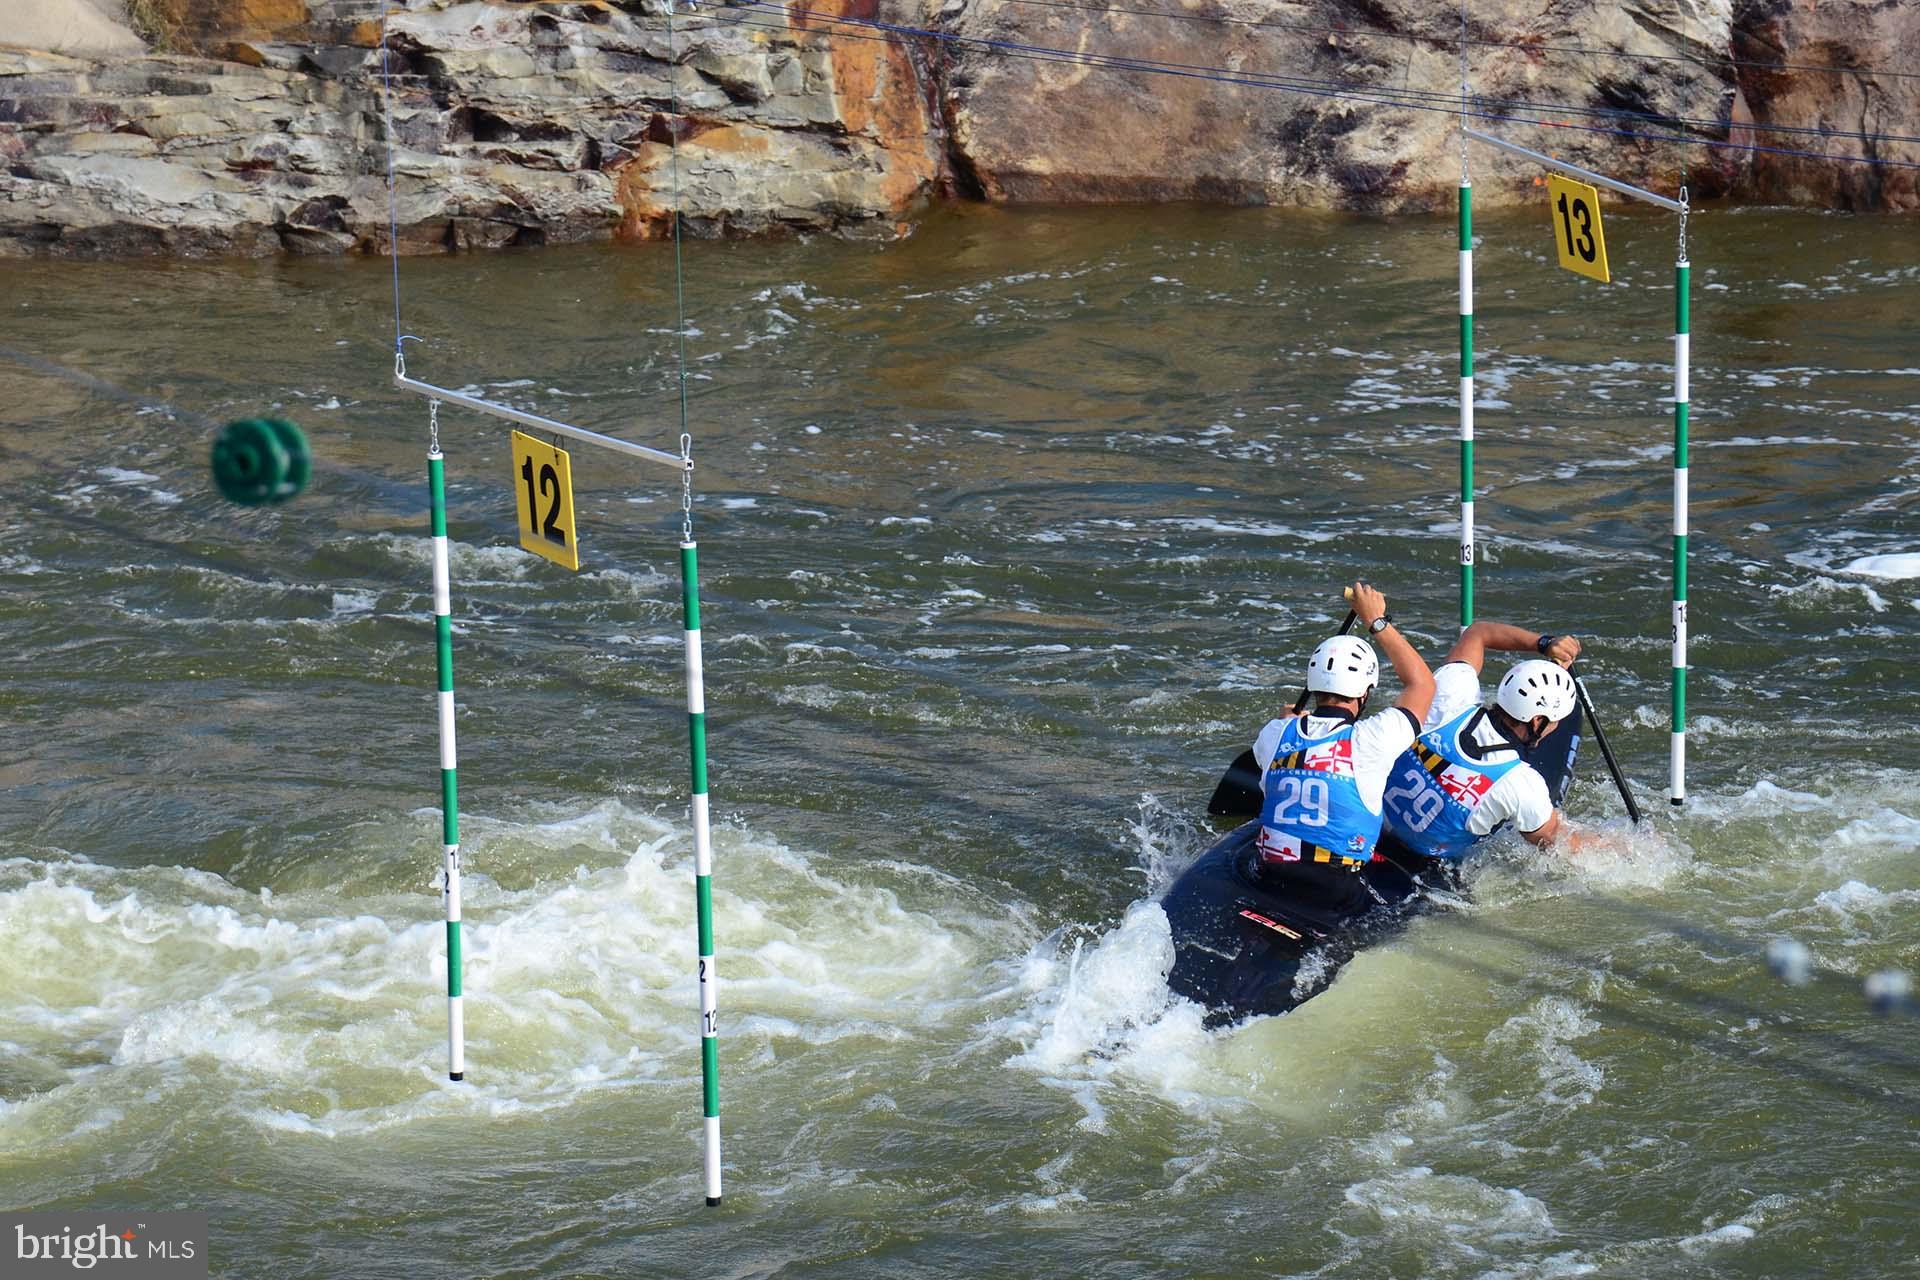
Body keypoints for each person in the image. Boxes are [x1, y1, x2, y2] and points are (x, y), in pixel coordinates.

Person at [1251, 582, 1435, 915]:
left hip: (1269, 874)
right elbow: (1422, 684)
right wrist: (1376, 621)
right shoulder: (1372, 739)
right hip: (1332, 889)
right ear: (1365, 694)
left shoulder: (1274, 734)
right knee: (1422, 906)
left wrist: (1286, 722)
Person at [1379, 620, 1589, 865]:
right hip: (1423, 865)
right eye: (1554, 722)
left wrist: (1544, 644)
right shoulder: (1519, 784)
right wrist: (1625, 845)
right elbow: (1557, 840)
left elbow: (1478, 633)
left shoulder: (1449, 696)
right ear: (1537, 721)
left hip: (1372, 826)